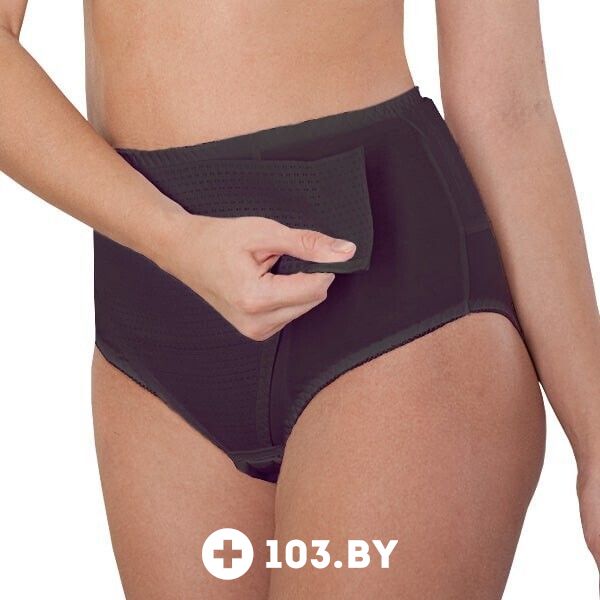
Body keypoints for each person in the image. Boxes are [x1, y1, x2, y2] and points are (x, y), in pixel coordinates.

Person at [1, 1, 598, 598]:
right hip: (154, 308)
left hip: (388, 307)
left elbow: (508, 106)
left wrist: (596, 442)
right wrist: (171, 237)